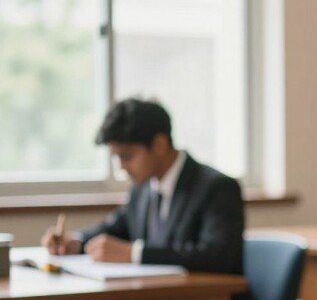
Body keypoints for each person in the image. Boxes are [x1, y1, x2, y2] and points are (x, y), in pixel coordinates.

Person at [41, 98, 244, 275]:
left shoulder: (217, 187)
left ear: (159, 145)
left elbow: (216, 257)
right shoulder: (143, 188)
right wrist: (76, 242)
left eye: (127, 156)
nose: (121, 167)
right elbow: (117, 228)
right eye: (116, 158)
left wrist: (133, 253)